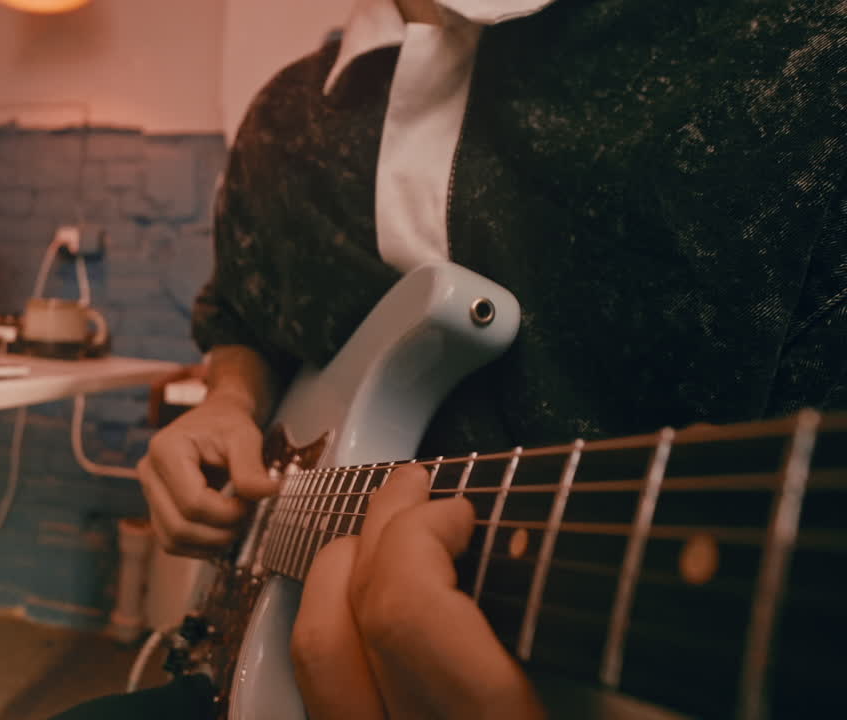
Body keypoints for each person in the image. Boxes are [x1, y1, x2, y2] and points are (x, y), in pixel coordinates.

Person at [58, 0, 846, 717]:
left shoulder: (799, 61)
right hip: (255, 661)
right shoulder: (283, 116)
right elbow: (244, 318)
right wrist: (229, 401)